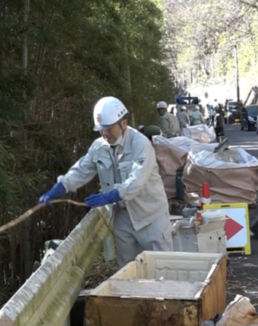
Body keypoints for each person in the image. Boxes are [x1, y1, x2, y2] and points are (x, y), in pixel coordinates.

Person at [39, 97, 173, 266]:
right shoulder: (99, 147)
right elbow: (82, 170)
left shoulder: (141, 144)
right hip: (123, 217)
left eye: (108, 128)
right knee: (128, 270)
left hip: (151, 216)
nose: (105, 133)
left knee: (161, 267)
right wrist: (61, 186)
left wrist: (111, 196)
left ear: (123, 123)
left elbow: (136, 182)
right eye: (101, 129)